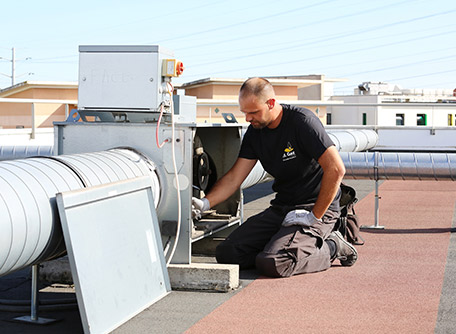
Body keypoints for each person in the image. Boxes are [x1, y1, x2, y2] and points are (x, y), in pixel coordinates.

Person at [192, 77, 357, 278]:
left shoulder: (302, 122)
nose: (248, 119)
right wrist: (205, 203)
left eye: (253, 112)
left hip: (316, 207)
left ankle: (333, 246)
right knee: (228, 252)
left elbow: (336, 169)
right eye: (245, 113)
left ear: (271, 103)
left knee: (275, 262)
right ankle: (284, 245)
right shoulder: (255, 132)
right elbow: (235, 177)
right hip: (283, 208)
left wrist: (314, 216)